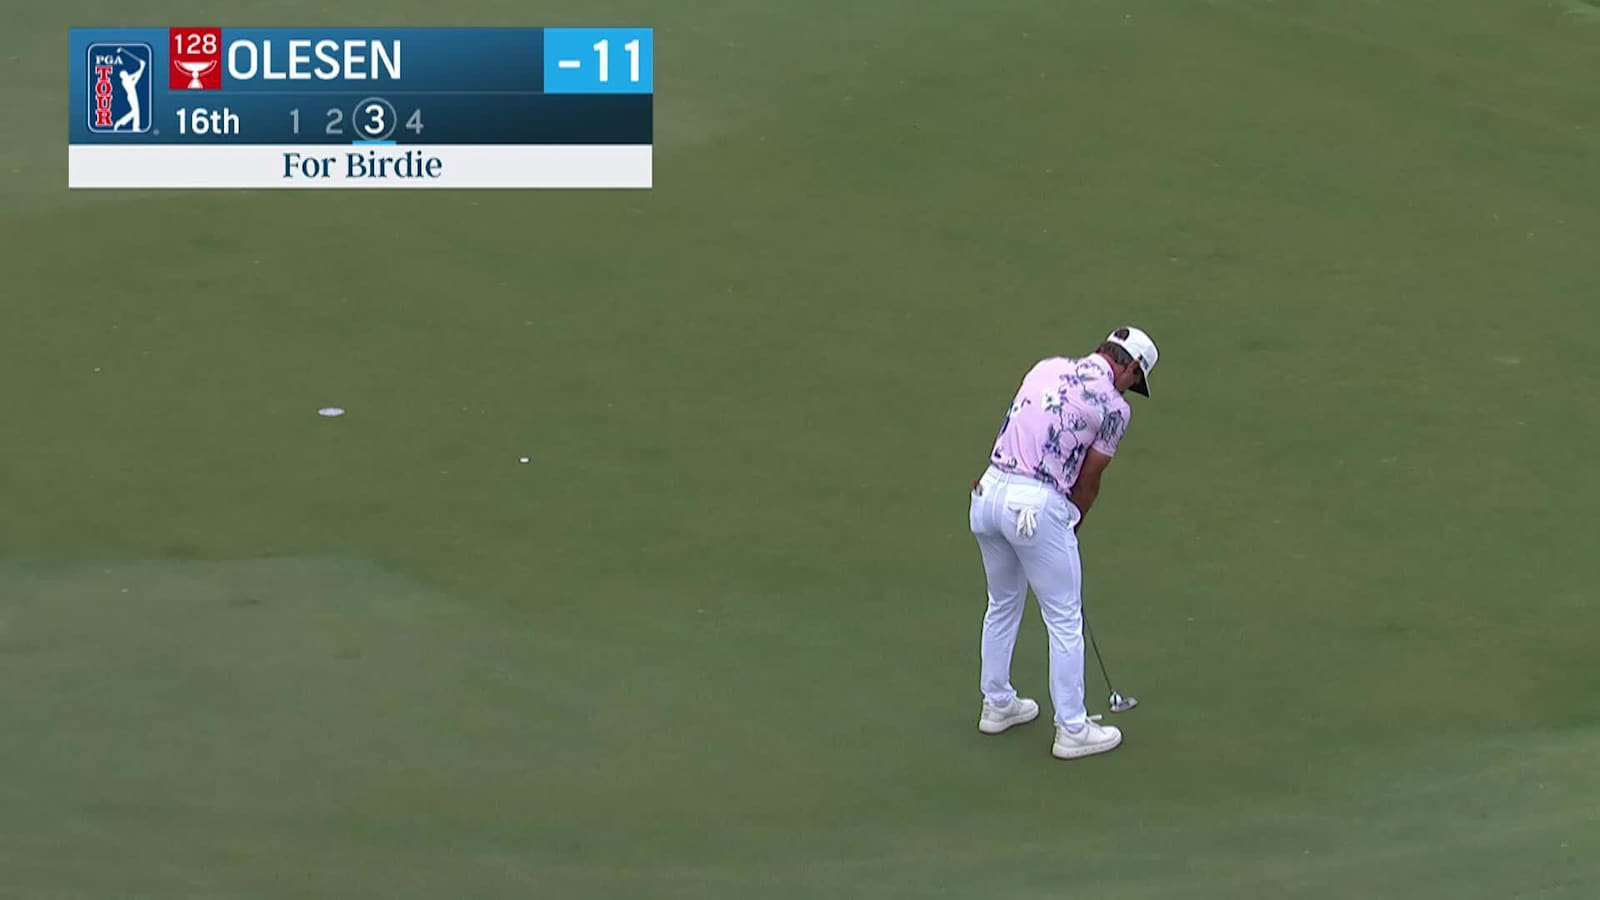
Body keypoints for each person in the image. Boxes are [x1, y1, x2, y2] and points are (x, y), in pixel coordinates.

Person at [969, 326, 1158, 759]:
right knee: (1064, 618)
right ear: (1129, 367)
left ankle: (996, 704)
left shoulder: (1047, 366)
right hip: (1034, 507)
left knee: (1002, 602)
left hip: (988, 495)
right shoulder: (1113, 409)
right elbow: (1089, 479)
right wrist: (1071, 522)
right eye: (1135, 380)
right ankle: (1072, 728)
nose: (1131, 390)